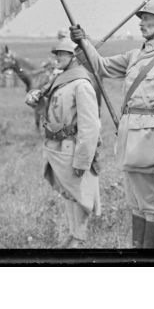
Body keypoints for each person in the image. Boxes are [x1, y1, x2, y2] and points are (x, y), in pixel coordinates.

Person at [70, 2, 154, 248]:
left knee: (151, 203)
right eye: (141, 19)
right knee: (135, 202)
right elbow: (100, 66)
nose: (141, 23)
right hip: (129, 137)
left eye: (148, 19)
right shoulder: (135, 55)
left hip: (150, 139)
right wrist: (84, 42)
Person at [26, 39, 101, 249]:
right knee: (68, 192)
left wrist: (83, 160)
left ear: (74, 56)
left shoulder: (82, 84)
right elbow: (54, 107)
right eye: (56, 53)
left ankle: (79, 238)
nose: (56, 57)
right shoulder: (62, 80)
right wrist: (36, 97)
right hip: (58, 146)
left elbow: (90, 127)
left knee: (80, 193)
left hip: (73, 147)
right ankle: (73, 233)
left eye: (61, 54)